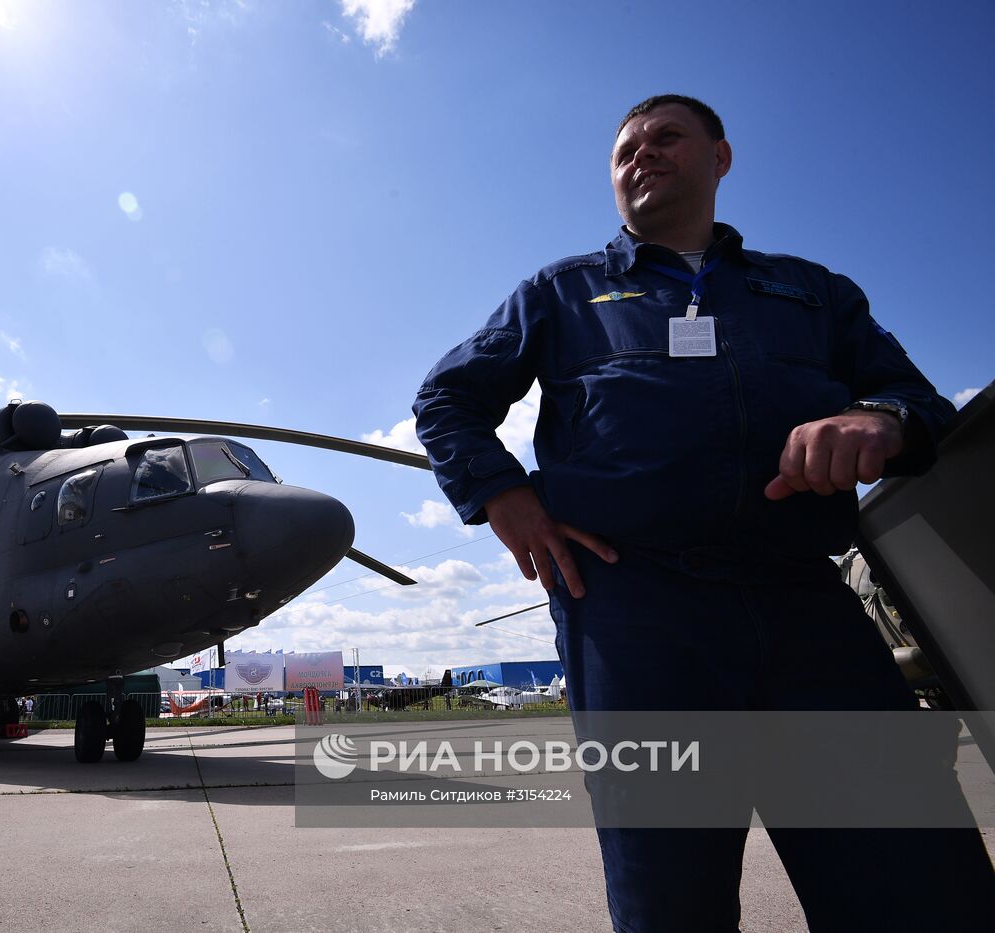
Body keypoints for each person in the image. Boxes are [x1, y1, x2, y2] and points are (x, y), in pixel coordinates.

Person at [412, 94, 994, 931]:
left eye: (666, 138)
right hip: (634, 610)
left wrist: (881, 419)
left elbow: (918, 400)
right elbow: (447, 398)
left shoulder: (813, 293)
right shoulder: (561, 294)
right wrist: (504, 497)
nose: (641, 155)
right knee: (670, 890)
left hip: (807, 607)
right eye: (625, 151)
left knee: (916, 875)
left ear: (721, 158)